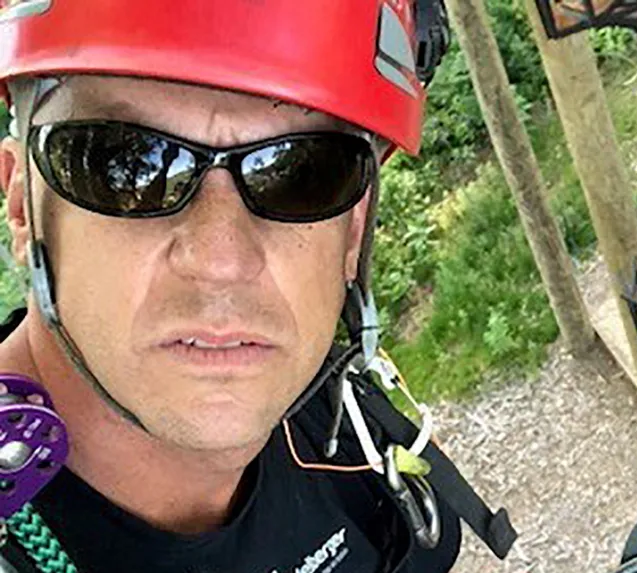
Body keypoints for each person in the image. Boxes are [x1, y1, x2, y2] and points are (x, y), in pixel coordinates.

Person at [0, 1, 515, 571]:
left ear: (354, 227)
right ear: (22, 205)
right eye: (131, 164)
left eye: (301, 172)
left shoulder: (339, 429)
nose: (222, 259)